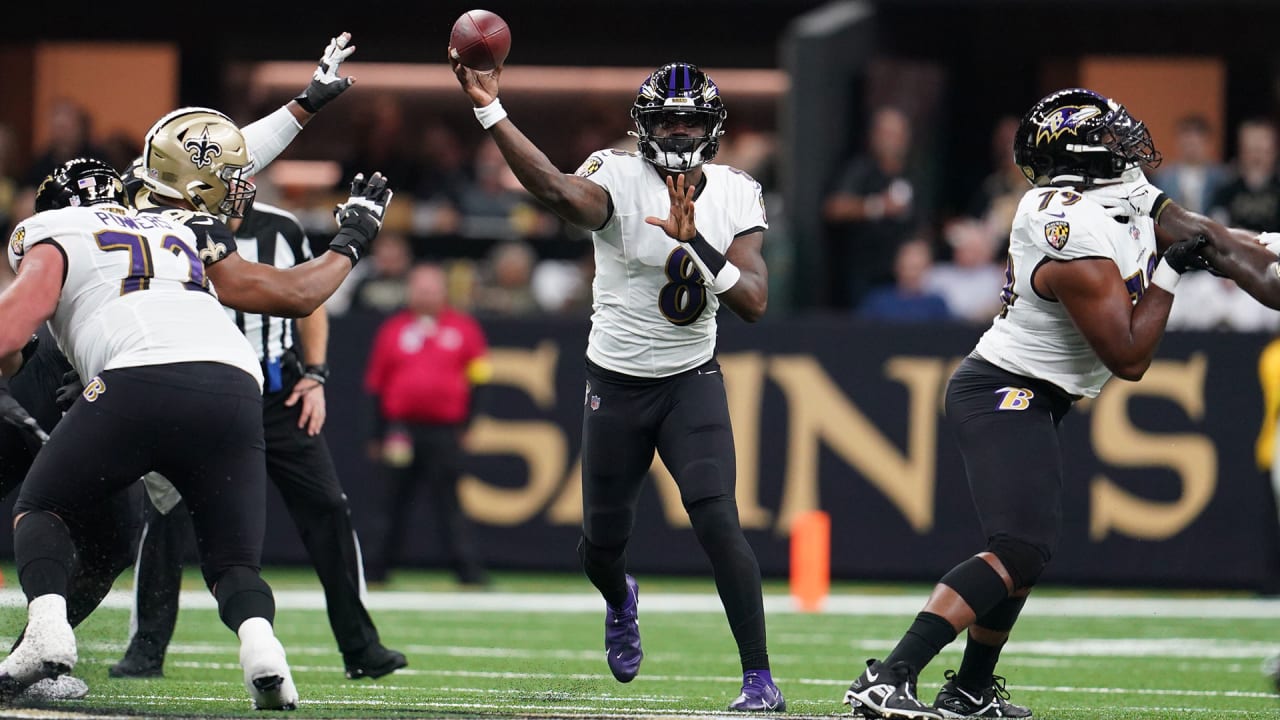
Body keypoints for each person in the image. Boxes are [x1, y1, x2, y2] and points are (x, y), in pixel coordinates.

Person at [841, 88, 1208, 719]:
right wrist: (1171, 271)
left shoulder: (1097, 208)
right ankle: (891, 675)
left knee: (1025, 555)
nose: (1126, 151)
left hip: (1030, 394)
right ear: (1081, 154)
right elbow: (1130, 357)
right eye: (1112, 140)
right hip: (1003, 389)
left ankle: (972, 688)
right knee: (1018, 549)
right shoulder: (1063, 221)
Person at [451, 55, 783, 711]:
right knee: (601, 548)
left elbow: (753, 301)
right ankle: (619, 597)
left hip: (692, 378)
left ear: (713, 129)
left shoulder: (737, 190)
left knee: (719, 521)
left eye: (692, 122)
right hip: (618, 383)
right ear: (644, 126)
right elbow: (554, 190)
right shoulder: (616, 173)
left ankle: (759, 679)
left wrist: (697, 247)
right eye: (669, 121)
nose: (681, 133)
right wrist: (490, 108)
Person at [0, 158, 307, 708]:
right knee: (234, 562)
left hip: (136, 377)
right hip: (235, 383)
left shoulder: (54, 230)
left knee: (42, 504)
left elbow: (8, 333)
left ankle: (44, 632)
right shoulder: (177, 225)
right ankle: (262, 649)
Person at [109, 199, 407, 682]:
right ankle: (146, 648)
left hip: (276, 392)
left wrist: (315, 375)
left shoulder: (282, 227)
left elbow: (310, 298)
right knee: (167, 515)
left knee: (328, 508)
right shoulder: (169, 223)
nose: (239, 183)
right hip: (201, 391)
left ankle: (361, 644)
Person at [364, 262, 492, 587]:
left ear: (444, 292)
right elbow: (377, 385)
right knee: (391, 501)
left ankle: (467, 571)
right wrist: (377, 433)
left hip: (444, 430)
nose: (425, 295)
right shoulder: (393, 329)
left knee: (450, 503)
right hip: (400, 431)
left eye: (432, 289)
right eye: (420, 289)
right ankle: (376, 570)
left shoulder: (463, 328)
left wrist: (468, 423)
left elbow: (479, 380)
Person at [822, 106, 920, 309]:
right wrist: (877, 206)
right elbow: (834, 208)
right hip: (864, 273)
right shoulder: (860, 170)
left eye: (897, 134)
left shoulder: (913, 176)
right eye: (886, 133)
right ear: (874, 136)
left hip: (902, 277)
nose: (891, 140)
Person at [857, 236, 953, 323]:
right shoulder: (878, 300)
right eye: (907, 267)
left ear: (928, 268)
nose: (912, 274)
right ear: (896, 266)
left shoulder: (936, 303)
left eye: (917, 268)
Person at [1153, 114, 1227, 216]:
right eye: (1186, 144)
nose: (1191, 150)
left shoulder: (1221, 178)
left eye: (1195, 144)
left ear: (1208, 144)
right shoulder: (1164, 177)